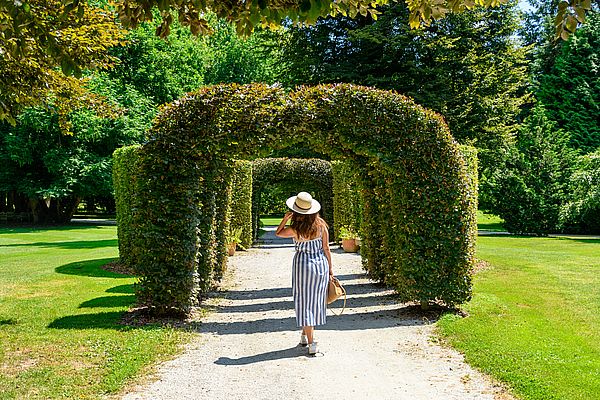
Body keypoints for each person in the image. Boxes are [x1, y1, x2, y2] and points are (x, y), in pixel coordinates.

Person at [275, 191, 333, 356]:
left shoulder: (295, 229)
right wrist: (330, 269)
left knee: (304, 301)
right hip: (320, 265)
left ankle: (312, 342)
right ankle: (304, 335)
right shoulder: (321, 226)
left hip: (303, 266)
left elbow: (278, 233)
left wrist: (285, 219)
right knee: (314, 301)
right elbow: (326, 249)